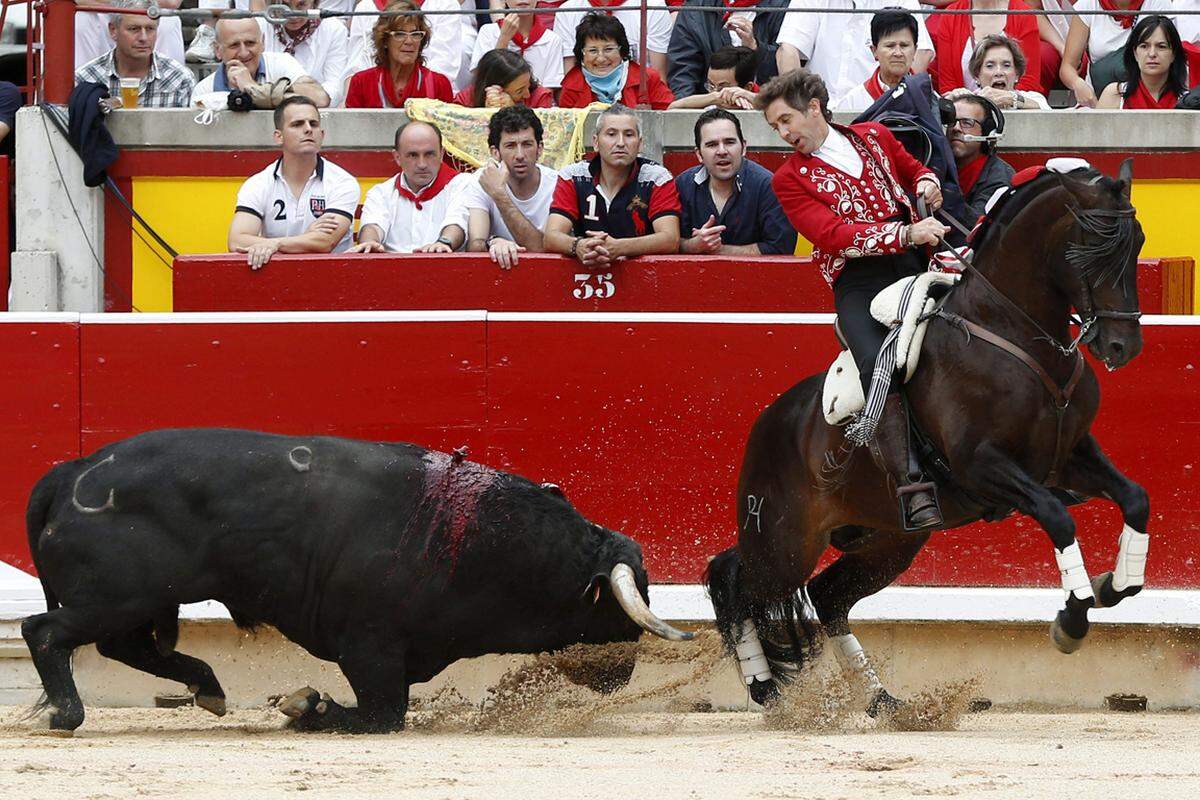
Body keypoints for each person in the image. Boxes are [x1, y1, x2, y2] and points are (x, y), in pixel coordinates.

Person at [759, 69, 947, 529]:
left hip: (915, 261)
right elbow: (833, 236)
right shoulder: (787, 179)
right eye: (775, 127)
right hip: (860, 280)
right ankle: (911, 484)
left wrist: (926, 182)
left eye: (786, 120)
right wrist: (905, 231)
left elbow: (915, 169)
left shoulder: (875, 135)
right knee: (873, 360)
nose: (784, 134)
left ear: (815, 108)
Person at [227, 97, 360, 269]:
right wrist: (306, 237)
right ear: (278, 137)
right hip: (276, 279)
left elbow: (325, 242)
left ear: (322, 134)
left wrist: (275, 244)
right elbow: (237, 240)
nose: (308, 129)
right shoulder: (257, 184)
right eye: (297, 124)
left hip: (334, 278)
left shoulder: (343, 182)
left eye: (313, 124)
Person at [545, 104, 681, 266]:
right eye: (611, 134)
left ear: (640, 143)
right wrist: (579, 246)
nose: (621, 143)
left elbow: (670, 239)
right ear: (595, 142)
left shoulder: (657, 178)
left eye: (629, 135)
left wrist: (619, 247)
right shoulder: (573, 176)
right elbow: (551, 237)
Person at [439, 106, 557, 269]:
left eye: (527, 144)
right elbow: (474, 246)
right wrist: (493, 241)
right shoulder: (482, 180)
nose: (520, 155)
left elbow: (541, 248)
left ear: (540, 149)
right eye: (510, 146)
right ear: (495, 152)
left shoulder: (557, 185)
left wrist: (499, 194)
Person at [675, 109, 796, 256]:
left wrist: (719, 250)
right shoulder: (683, 185)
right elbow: (668, 241)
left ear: (744, 147)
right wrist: (692, 246)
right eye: (712, 144)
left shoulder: (768, 186)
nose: (722, 151)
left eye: (729, 142)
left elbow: (780, 249)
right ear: (699, 154)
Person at [775, 0, 933, 106]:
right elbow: (787, 50)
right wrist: (799, 102)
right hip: (819, 111)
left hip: (877, 109)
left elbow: (921, 52)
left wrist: (894, 101)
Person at [352, 121, 474, 253]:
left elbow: (456, 222)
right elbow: (373, 226)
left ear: (441, 155)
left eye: (429, 154)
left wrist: (443, 243)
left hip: (446, 268)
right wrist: (370, 242)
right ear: (397, 157)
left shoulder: (462, 184)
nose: (422, 164)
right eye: (413, 155)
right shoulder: (381, 193)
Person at [75, 4, 195, 108]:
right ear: (113, 30)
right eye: (134, 29)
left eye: (150, 29)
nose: (143, 37)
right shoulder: (86, 77)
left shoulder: (180, 79)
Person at [666, 0, 790, 100]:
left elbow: (790, 69)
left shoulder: (786, 6)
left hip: (767, 112)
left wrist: (755, 48)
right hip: (710, 111)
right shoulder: (696, 8)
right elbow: (682, 70)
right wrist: (691, 113)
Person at [191, 18, 329, 107]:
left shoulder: (281, 62)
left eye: (250, 43)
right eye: (234, 45)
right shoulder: (203, 90)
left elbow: (320, 98)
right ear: (217, 50)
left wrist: (253, 88)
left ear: (262, 43)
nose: (244, 52)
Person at [1060, 0, 1173, 107]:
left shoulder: (1158, 3)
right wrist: (1078, 84)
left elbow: (1169, 52)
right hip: (1096, 99)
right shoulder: (1088, 4)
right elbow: (1067, 67)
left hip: (1145, 96)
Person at [344, 1, 455, 108]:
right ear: (385, 40)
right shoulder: (361, 83)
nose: (409, 41)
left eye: (415, 34)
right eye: (400, 34)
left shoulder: (439, 85)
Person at [558, 14, 675, 110]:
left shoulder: (647, 78)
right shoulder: (571, 86)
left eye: (608, 49)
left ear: (622, 50)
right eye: (593, 51)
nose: (601, 58)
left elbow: (669, 115)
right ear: (581, 53)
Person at [929, 0, 1042, 94]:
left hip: (1014, 112)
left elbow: (1029, 82)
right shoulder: (950, 16)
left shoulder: (1024, 14)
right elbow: (948, 87)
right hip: (966, 114)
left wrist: (1005, 100)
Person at [257, 0, 350, 107]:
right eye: (285, 5)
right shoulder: (259, 26)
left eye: (301, 5)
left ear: (314, 4)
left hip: (316, 111)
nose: (293, 15)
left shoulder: (334, 29)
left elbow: (334, 88)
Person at [552, 0, 673, 77]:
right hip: (588, 96)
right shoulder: (567, 11)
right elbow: (571, 76)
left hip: (636, 95)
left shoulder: (653, 5)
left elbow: (659, 75)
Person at [831, 10, 919, 113]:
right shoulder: (853, 102)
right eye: (890, 46)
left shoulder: (928, 98)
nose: (898, 53)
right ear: (874, 51)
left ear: (915, 50)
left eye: (904, 45)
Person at [471, 0, 567, 91]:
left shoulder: (552, 39)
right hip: (495, 102)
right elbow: (482, 80)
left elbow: (549, 89)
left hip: (536, 105)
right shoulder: (488, 32)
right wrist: (503, 39)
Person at [1097, 15, 1189, 108]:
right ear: (1135, 53)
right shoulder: (1115, 95)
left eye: (1161, 46)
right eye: (1144, 46)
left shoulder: (1187, 100)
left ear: (1173, 54)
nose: (1152, 54)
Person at [946, 95, 1014, 218]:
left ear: (987, 132)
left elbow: (977, 228)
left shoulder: (1000, 178)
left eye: (967, 123)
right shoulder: (937, 165)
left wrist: (945, 194)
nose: (956, 128)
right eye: (952, 121)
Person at [944, 34, 1051, 109]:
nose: (999, 72)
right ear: (977, 75)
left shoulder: (1034, 98)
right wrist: (951, 103)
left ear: (1017, 74)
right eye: (990, 66)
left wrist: (1011, 99)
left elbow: (1047, 114)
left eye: (1006, 65)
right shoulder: (970, 101)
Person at [77, 0, 185, 69]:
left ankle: (168, 80)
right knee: (81, 20)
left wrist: (131, 5)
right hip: (100, 14)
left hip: (145, 11)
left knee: (169, 21)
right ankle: (84, 86)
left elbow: (171, 2)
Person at [451, 50, 555, 108]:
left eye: (527, 86)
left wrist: (514, 111)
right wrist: (484, 114)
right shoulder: (466, 99)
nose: (527, 94)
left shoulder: (540, 97)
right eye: (519, 91)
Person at [667, 45, 759, 110]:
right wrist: (713, 98)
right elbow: (672, 108)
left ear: (747, 87)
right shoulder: (712, 103)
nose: (715, 92)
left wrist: (748, 96)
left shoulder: (762, 102)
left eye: (722, 87)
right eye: (710, 86)